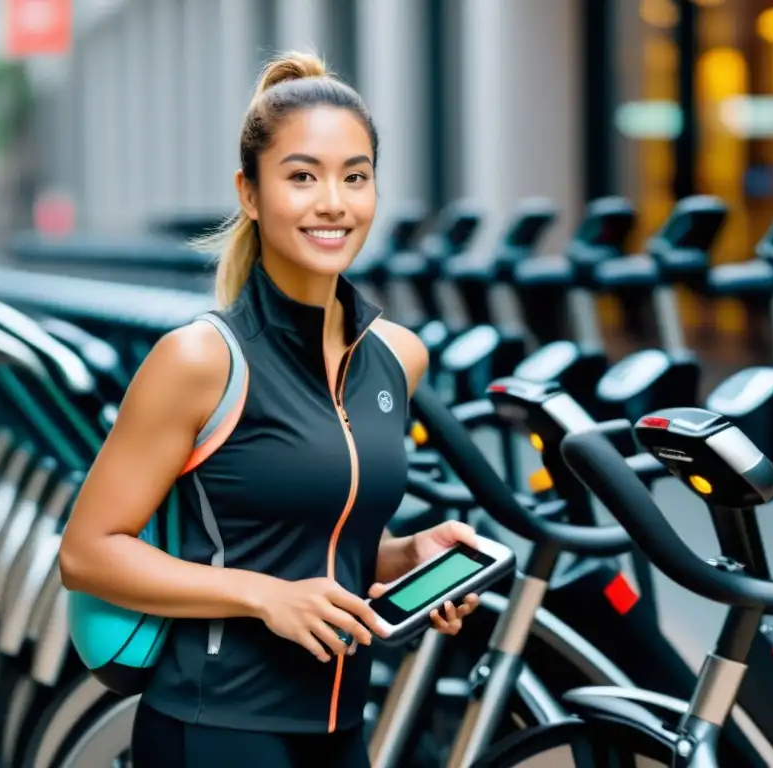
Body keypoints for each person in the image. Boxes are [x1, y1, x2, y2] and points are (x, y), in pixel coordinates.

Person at [58, 51, 480, 767]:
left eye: (356, 177)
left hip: (344, 726)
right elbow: (87, 553)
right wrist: (263, 598)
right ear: (249, 193)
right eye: (302, 177)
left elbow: (305, 532)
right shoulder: (201, 360)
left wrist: (408, 555)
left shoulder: (397, 357)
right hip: (218, 722)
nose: (333, 203)